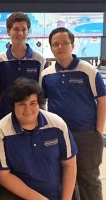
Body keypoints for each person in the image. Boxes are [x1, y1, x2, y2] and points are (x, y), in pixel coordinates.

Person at [40, 27, 106, 200]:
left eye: (64, 43)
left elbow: (102, 100)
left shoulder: (88, 71)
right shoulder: (47, 74)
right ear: (51, 48)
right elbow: (41, 103)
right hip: (59, 136)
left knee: (89, 180)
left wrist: (98, 131)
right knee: (65, 179)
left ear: (73, 45)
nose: (60, 47)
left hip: (86, 135)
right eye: (56, 44)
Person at [0, 77, 77, 200]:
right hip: (19, 195)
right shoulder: (0, 132)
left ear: (39, 103)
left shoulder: (57, 124)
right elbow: (2, 175)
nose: (28, 109)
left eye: (32, 103)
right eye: (21, 104)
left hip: (55, 194)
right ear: (13, 106)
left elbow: (70, 164)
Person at [0, 12, 46, 121]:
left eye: (24, 29)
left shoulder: (39, 59)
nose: (20, 33)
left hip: (30, 114)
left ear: (28, 32)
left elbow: (41, 91)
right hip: (5, 114)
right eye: (16, 29)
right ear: (9, 31)